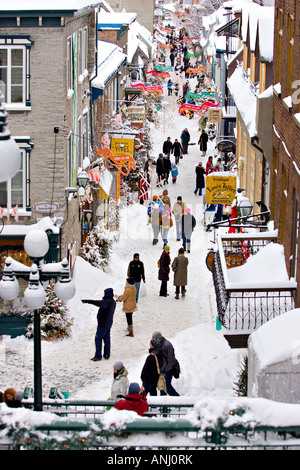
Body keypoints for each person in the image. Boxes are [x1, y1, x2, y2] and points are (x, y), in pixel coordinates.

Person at [82, 288, 116, 361]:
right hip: (108, 323)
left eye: (104, 293)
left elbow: (98, 303)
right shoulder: (113, 302)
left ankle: (98, 355)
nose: (103, 294)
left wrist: (88, 301)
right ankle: (107, 354)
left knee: (98, 338)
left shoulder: (107, 302)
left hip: (103, 324)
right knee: (107, 338)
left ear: (107, 294)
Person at [151, 332, 179, 396]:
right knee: (162, 386)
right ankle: (163, 403)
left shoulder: (167, 345)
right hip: (161, 368)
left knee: (167, 386)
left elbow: (171, 358)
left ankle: (178, 400)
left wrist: (167, 368)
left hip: (167, 370)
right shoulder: (158, 344)